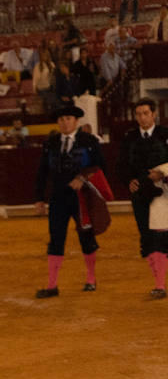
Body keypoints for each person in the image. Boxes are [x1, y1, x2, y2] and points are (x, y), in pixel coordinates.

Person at [117, 98, 168, 298]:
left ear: (154, 114)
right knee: (146, 236)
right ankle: (158, 280)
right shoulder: (130, 138)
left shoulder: (167, 135)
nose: (142, 117)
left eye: (145, 113)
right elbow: (121, 165)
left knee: (158, 236)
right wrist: (128, 180)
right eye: (138, 114)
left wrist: (162, 173)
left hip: (161, 192)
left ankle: (160, 284)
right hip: (139, 193)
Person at [33, 105, 106, 297]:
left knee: (86, 236)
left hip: (82, 197)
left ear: (76, 121)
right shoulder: (51, 143)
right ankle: (52, 285)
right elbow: (42, 172)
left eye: (68, 119)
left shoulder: (89, 141)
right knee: (56, 238)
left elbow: (100, 166)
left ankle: (91, 279)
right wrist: (39, 198)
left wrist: (82, 178)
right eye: (61, 119)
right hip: (58, 198)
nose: (64, 122)